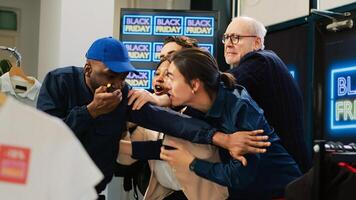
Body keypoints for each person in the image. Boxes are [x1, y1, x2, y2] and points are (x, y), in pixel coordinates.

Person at [37, 37, 269, 199]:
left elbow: (169, 122)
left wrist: (222, 139)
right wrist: (90, 112)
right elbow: (44, 138)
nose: (118, 83)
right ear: (88, 69)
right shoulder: (59, 82)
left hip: (92, 191)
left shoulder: (123, 94)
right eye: (111, 76)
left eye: (124, 76)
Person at [159, 48, 302, 199]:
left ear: (194, 85)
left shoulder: (241, 110)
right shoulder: (202, 104)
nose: (166, 84)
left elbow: (239, 176)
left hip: (280, 194)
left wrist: (192, 163)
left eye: (171, 78)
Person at [120, 59, 228, 200]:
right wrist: (122, 126)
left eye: (168, 75)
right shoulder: (148, 119)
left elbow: (167, 147)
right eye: (157, 73)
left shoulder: (196, 114)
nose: (159, 79)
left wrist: (109, 142)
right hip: (168, 194)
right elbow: (125, 159)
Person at [223, 16, 311, 172]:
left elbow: (219, 89)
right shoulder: (267, 62)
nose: (228, 44)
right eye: (226, 37)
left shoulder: (260, 61)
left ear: (257, 42)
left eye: (236, 38)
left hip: (284, 175)